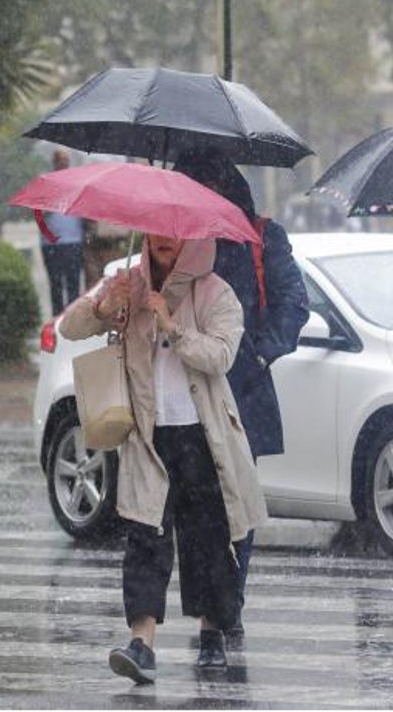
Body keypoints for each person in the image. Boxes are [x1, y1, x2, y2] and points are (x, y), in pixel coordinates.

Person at [59, 233, 268, 683]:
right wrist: (103, 306)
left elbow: (221, 355)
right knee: (144, 537)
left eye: (176, 235)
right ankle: (142, 644)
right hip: (149, 439)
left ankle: (212, 637)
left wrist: (173, 327)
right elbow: (69, 328)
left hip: (203, 435)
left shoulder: (215, 291)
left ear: (192, 238)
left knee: (208, 539)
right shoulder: (128, 285)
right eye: (157, 233)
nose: (165, 242)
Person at [172, 147, 309, 648]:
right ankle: (218, 610)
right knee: (202, 506)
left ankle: (224, 608)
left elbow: (294, 308)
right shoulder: (175, 241)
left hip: (239, 393)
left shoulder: (261, 238)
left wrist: (253, 357)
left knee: (233, 504)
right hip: (184, 389)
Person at [40, 148, 86, 314]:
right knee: (56, 284)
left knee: (73, 283)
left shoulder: (76, 183)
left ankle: (72, 319)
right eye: (61, 161)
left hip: (73, 241)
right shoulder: (46, 183)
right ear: (54, 163)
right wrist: (53, 200)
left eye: (66, 161)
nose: (64, 164)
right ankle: (57, 318)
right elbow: (38, 213)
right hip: (51, 243)